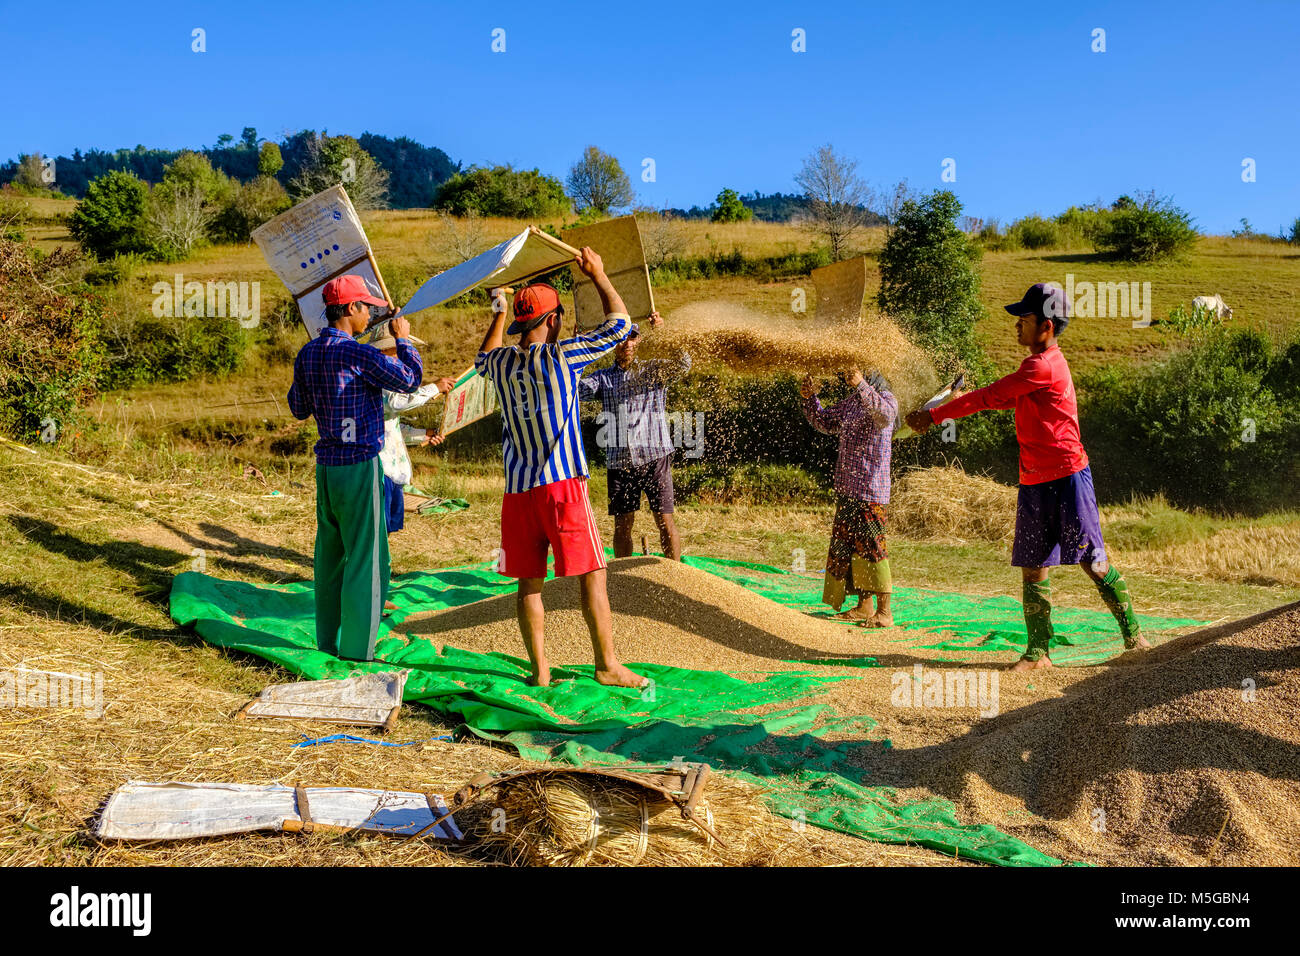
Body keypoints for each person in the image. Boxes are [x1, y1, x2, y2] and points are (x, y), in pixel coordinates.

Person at [905, 282, 1149, 671]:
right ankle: (1038, 653)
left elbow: (990, 396)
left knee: (1094, 560)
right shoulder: (1034, 367)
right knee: (1034, 564)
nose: (1017, 325)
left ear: (1047, 326)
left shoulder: (1044, 365)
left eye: (1025, 319)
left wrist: (934, 415)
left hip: (1067, 477)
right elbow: (999, 398)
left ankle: (1135, 638)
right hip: (1035, 479)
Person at [475, 247, 645, 689]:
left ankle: (540, 670)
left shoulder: (501, 364)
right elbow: (621, 324)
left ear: (519, 323)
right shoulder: (563, 356)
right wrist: (599, 274)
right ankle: (606, 664)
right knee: (593, 572)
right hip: (562, 485)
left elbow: (481, 356)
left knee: (529, 582)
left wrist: (498, 309)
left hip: (518, 492)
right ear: (552, 321)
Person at [287, 274, 422, 662]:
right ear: (350, 310)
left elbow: (298, 408)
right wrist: (403, 338)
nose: (369, 316)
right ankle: (358, 650)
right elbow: (410, 381)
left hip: (327, 468)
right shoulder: (361, 355)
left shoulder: (307, 354)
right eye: (365, 308)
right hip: (360, 465)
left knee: (329, 559)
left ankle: (326, 643)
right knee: (366, 558)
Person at [577, 313, 690, 560]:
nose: (627, 343)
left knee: (664, 519)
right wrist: (580, 348)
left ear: (638, 341)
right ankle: (623, 582)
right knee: (622, 524)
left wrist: (664, 333)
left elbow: (683, 365)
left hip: (655, 456)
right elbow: (573, 390)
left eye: (632, 337)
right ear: (612, 345)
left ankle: (675, 574)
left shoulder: (653, 369)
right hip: (620, 462)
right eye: (621, 339)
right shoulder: (603, 378)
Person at [801, 367, 898, 627]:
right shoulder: (852, 403)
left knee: (874, 547)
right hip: (848, 488)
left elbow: (886, 416)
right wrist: (810, 398)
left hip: (870, 489)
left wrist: (861, 384)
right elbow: (824, 421)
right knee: (853, 548)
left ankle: (885, 612)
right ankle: (864, 606)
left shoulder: (886, 399)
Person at [367, 328, 455, 535]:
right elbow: (397, 403)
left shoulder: (386, 380)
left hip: (392, 471)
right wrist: (434, 388)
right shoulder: (375, 379)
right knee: (376, 529)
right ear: (387, 351)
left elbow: (393, 427)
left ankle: (378, 566)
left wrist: (425, 434)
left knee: (384, 530)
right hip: (379, 470)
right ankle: (370, 567)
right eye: (398, 350)